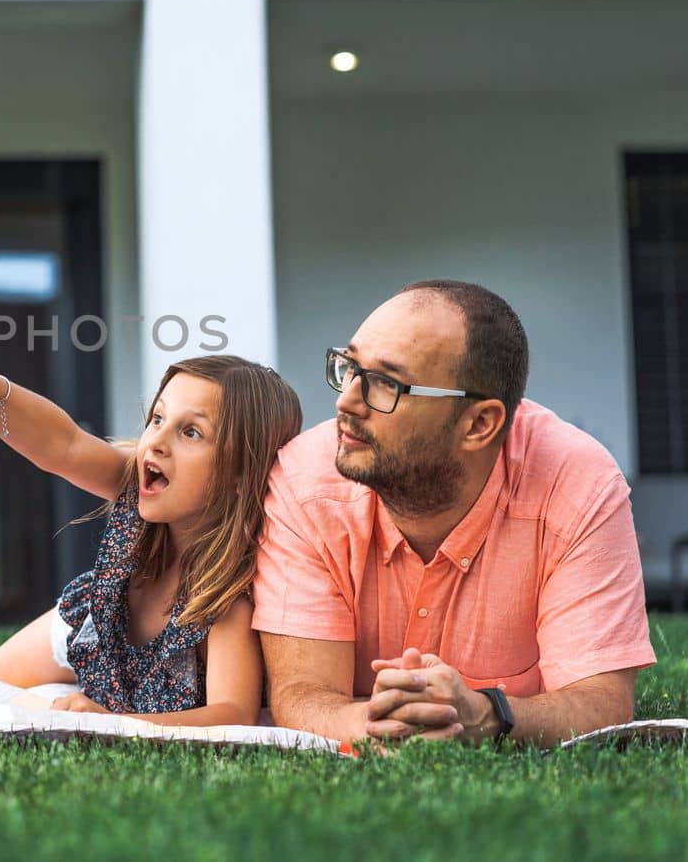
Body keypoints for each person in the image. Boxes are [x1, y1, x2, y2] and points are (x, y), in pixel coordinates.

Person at [255, 280, 656, 747]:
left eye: (385, 383)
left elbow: (602, 702)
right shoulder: (306, 482)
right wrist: (385, 731)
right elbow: (303, 697)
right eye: (349, 368)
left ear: (479, 424)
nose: (346, 401)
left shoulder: (576, 484)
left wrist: (487, 716)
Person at [0, 329, 301, 727]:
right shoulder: (136, 484)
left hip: (160, 674)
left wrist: (107, 721)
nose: (156, 441)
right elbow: (64, 444)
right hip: (103, 625)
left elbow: (233, 714)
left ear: (240, 473)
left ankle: (112, 701)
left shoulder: (226, 599)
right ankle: (101, 694)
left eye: (191, 432)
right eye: (157, 419)